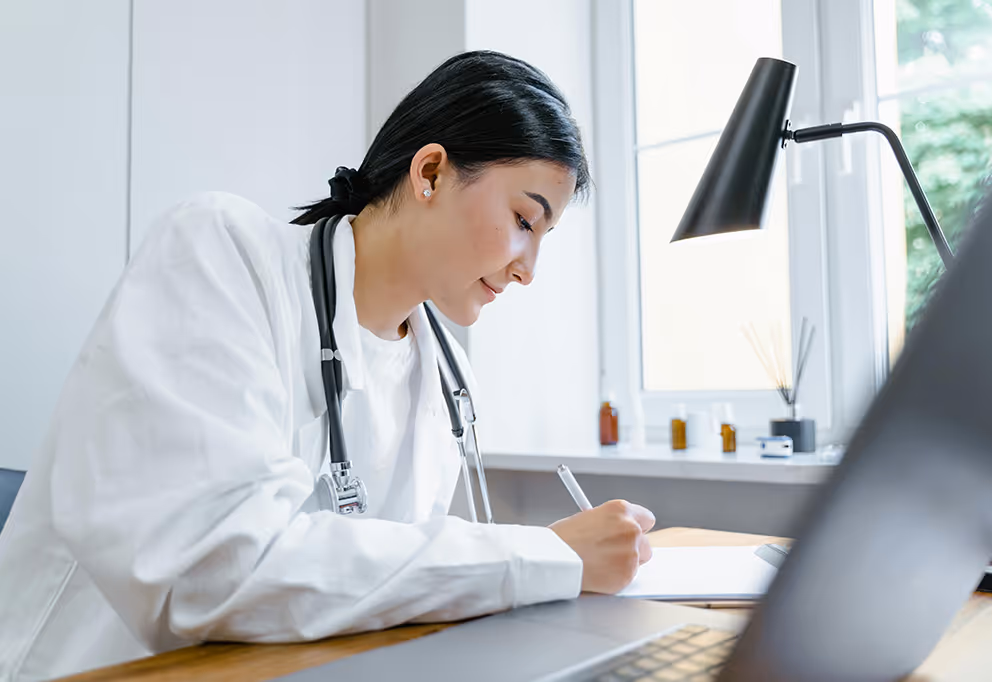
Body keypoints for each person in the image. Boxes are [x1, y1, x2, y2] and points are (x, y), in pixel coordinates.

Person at [0, 50, 655, 681]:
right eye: (522, 220)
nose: (528, 269)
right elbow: (215, 575)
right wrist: (540, 554)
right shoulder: (222, 257)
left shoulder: (446, 378)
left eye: (542, 239)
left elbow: (379, 598)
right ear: (429, 174)